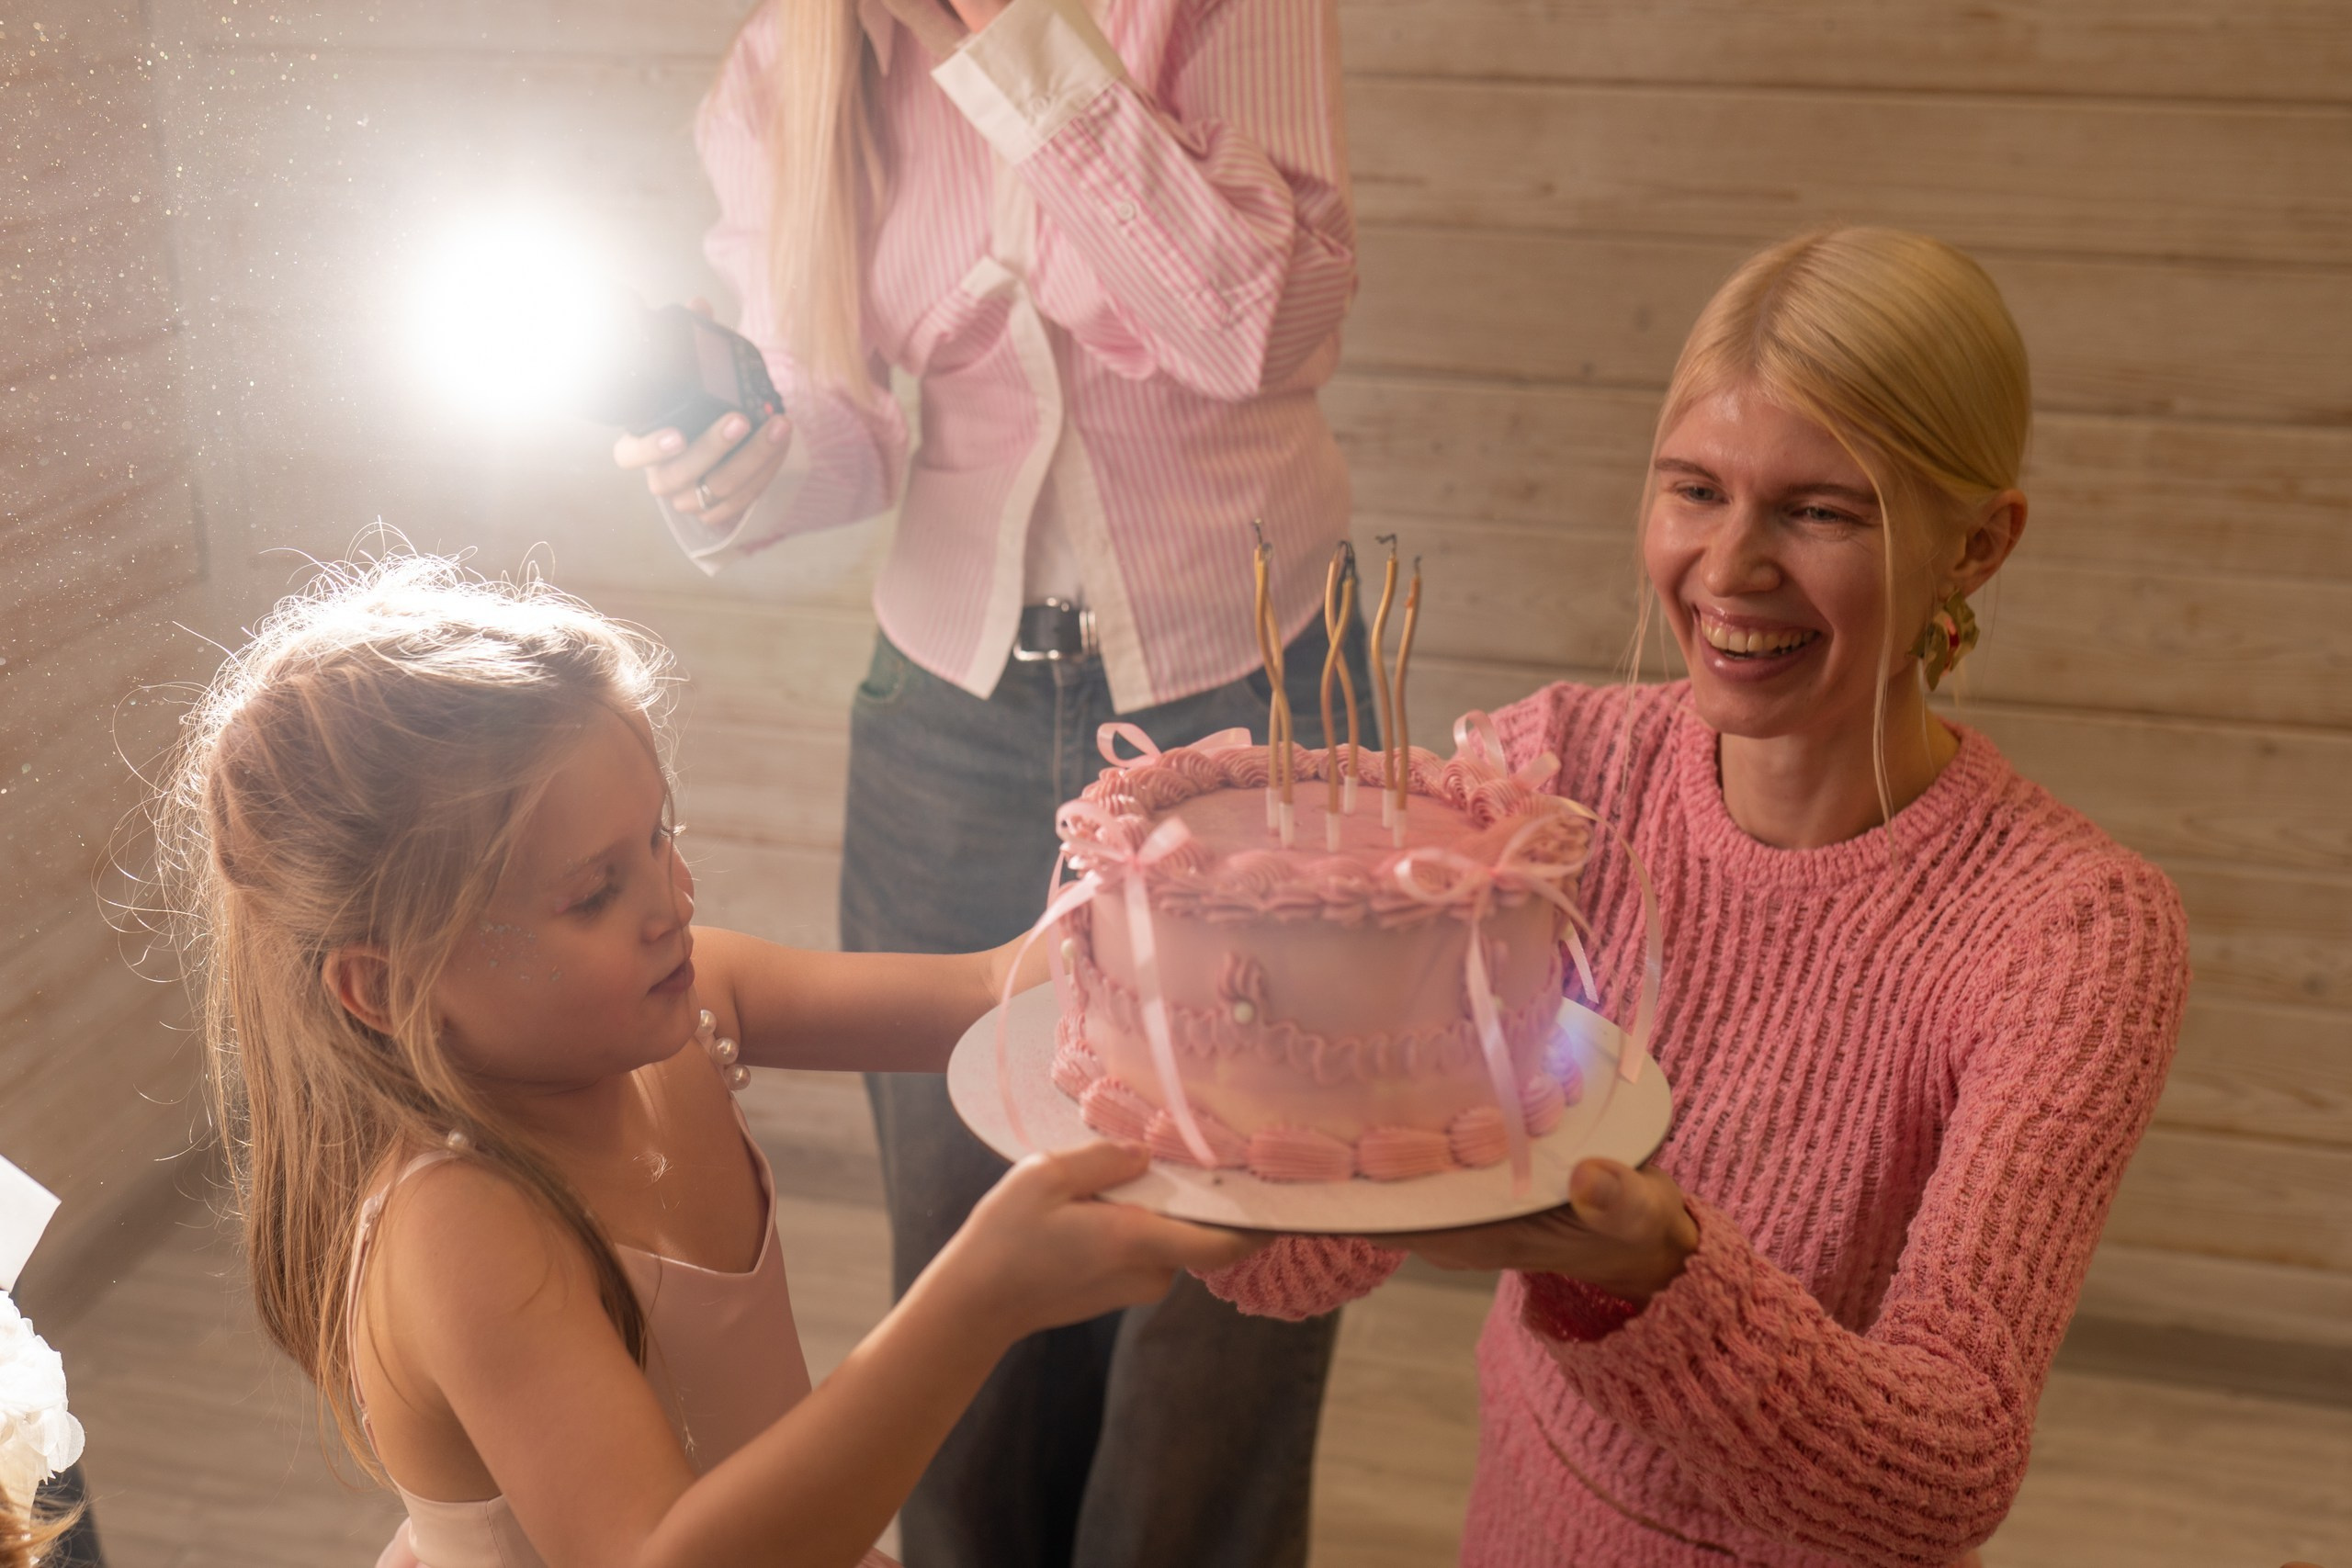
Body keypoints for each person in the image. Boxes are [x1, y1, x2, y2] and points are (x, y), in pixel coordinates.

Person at [1204, 228, 2191, 1567]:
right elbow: (1301, 1268)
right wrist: (1235, 1102)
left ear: (1979, 544)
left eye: (1820, 509)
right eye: (1694, 490)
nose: (1730, 567)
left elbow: (1942, 1474)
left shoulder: (2071, 933)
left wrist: (1657, 1269)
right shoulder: (1548, 782)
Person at [611, 0, 1365, 1561]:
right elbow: (849, 435)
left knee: (1232, 1241)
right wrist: (737, 467)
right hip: (944, 719)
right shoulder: (789, 68)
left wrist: (1011, 41)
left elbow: (1263, 325)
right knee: (958, 1225)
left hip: (1255, 687)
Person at [145, 558, 1253, 1568]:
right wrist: (974, 1301)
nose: (672, 902)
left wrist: (1178, 889)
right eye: (593, 892)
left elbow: (986, 992)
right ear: (386, 987)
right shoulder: (461, 1227)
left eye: (659, 838)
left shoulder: (690, 1001)